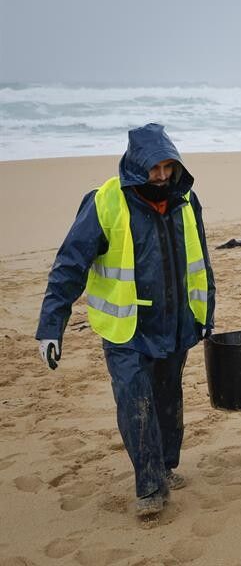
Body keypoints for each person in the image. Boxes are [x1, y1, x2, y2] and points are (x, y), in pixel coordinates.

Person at [36, 123, 216, 517]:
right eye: (155, 169)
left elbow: (201, 260)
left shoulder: (186, 200)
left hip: (176, 323)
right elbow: (69, 265)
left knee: (168, 399)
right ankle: (150, 487)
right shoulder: (104, 202)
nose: (163, 176)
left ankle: (166, 466)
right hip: (125, 328)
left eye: (169, 168)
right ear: (137, 165)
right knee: (136, 401)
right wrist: (51, 326)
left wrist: (208, 314)